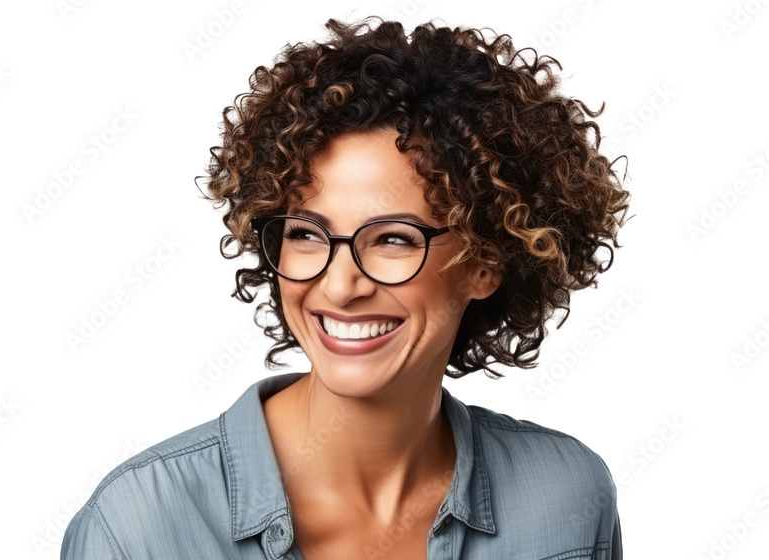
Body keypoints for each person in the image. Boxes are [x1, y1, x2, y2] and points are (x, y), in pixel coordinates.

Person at [61, 16, 630, 560]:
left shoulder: (567, 499)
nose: (340, 285)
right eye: (307, 234)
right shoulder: (135, 529)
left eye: (394, 241)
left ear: (486, 263)